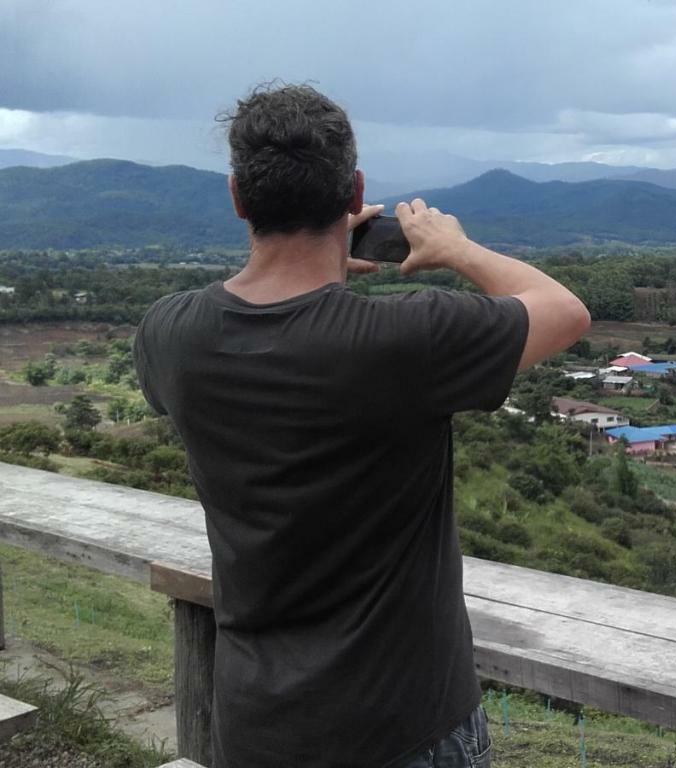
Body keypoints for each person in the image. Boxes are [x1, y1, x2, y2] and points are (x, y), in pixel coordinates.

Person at [133, 83, 590, 768]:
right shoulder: (403, 337)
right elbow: (564, 311)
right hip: (404, 725)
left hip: (257, 725)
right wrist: (454, 248)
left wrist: (311, 276)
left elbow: (267, 331)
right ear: (355, 194)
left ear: (237, 197)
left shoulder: (169, 333)